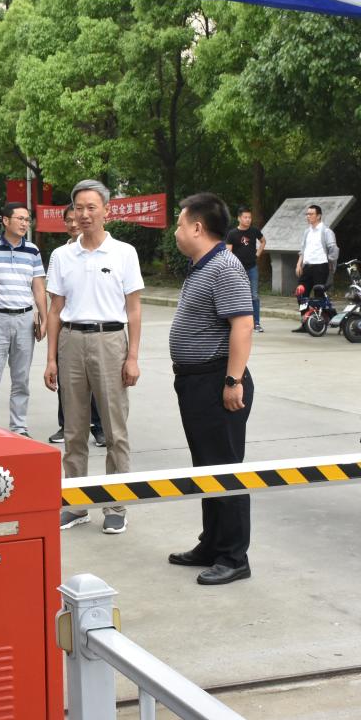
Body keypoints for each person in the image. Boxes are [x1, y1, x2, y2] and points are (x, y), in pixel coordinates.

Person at [44, 180, 143, 536]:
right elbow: (55, 310)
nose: (84, 214)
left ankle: (116, 506)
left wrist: (133, 357)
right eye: (79, 208)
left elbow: (134, 309)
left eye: (91, 207)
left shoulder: (124, 253)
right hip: (71, 341)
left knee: (115, 430)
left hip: (110, 340)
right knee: (74, 430)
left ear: (106, 211)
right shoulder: (62, 256)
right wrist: (51, 359)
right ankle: (76, 504)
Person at [167, 193, 255, 586]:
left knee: (226, 468)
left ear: (198, 228)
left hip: (218, 381)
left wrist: (233, 381)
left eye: (180, 224)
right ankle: (212, 544)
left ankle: (234, 556)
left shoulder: (224, 267)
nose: (176, 231)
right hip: (196, 381)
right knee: (208, 467)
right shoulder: (201, 266)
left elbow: (243, 325)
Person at [0, 203, 47, 437]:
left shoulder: (32, 250)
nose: (24, 223)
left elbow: (38, 287)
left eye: (27, 219)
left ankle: (19, 427)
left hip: (25, 320)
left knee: (21, 379)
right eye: (20, 218)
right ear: (6, 221)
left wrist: (44, 318)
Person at [49, 205, 105, 446]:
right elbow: (55, 299)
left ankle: (99, 428)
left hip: (98, 332)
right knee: (67, 385)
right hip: (68, 329)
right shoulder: (60, 255)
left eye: (77, 218)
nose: (74, 224)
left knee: (98, 385)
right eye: (69, 220)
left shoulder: (109, 251)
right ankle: (66, 426)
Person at [292, 203, 339, 333]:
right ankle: (305, 322)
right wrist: (299, 264)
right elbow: (303, 249)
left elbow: (333, 249)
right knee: (301, 294)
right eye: (307, 214)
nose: (308, 216)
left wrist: (329, 262)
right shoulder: (307, 232)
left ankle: (318, 323)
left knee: (319, 296)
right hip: (307, 267)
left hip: (321, 267)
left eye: (311, 214)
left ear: (318, 216)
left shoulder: (326, 231)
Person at [225, 206, 266, 333]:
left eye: (249, 217)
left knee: (254, 296)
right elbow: (228, 252)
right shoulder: (232, 234)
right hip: (237, 270)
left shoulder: (254, 231)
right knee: (236, 295)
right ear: (239, 218)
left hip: (252, 268)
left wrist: (257, 254)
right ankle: (235, 323)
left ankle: (256, 323)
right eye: (245, 217)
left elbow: (263, 241)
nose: (248, 219)